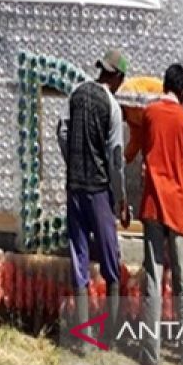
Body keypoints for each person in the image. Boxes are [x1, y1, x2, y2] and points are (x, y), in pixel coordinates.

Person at [57, 49, 131, 348]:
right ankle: (111, 336)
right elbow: (115, 157)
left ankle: (84, 339)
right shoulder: (111, 105)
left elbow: (62, 132)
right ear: (119, 77)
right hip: (99, 190)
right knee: (111, 260)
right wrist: (122, 198)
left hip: (74, 187)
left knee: (79, 259)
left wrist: (72, 161)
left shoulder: (75, 94)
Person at [126, 64, 183, 365]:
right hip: (177, 206)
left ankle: (150, 352)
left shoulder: (150, 114)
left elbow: (136, 149)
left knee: (153, 277)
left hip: (152, 205)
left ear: (164, 86)